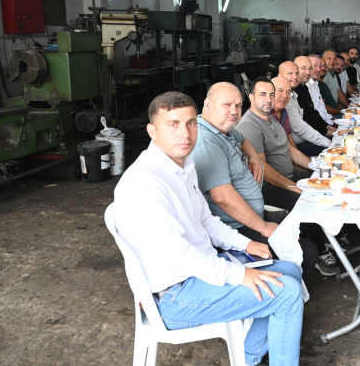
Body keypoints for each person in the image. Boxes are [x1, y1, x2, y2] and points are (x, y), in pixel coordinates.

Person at [114, 92, 304, 363]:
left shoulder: (182, 165)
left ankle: (247, 357)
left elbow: (205, 220)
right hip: (172, 295)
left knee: (290, 271)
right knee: (287, 293)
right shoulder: (145, 182)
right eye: (172, 124)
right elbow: (180, 255)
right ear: (152, 131)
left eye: (191, 123)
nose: (185, 133)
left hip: (198, 271)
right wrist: (238, 274)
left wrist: (246, 243)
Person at [190, 81, 325, 278]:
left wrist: (253, 157)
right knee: (307, 252)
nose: (234, 111)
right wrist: (263, 226)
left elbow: (243, 139)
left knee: (304, 219)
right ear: (208, 105)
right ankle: (284, 289)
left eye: (237, 105)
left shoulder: (223, 128)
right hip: (236, 227)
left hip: (253, 213)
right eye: (227, 104)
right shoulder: (207, 142)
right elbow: (223, 198)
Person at [236, 77, 342, 275]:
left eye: (271, 94)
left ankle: (331, 234)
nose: (269, 99)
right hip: (268, 187)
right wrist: (292, 186)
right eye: (262, 94)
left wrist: (315, 167)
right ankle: (320, 252)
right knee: (307, 200)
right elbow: (262, 168)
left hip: (289, 176)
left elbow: (290, 150)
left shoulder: (272, 118)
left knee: (325, 183)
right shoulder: (249, 125)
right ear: (250, 97)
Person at [278, 60, 332, 157]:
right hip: (298, 146)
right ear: (280, 76)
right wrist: (329, 143)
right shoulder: (284, 100)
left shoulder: (293, 95)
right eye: (290, 73)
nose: (295, 77)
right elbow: (301, 128)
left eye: (296, 73)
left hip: (305, 141)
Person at [307, 54, 337, 125]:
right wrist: (330, 125)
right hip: (320, 127)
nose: (318, 69)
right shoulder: (306, 86)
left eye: (320, 66)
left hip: (327, 121)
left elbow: (322, 110)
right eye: (314, 66)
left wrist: (332, 119)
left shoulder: (315, 84)